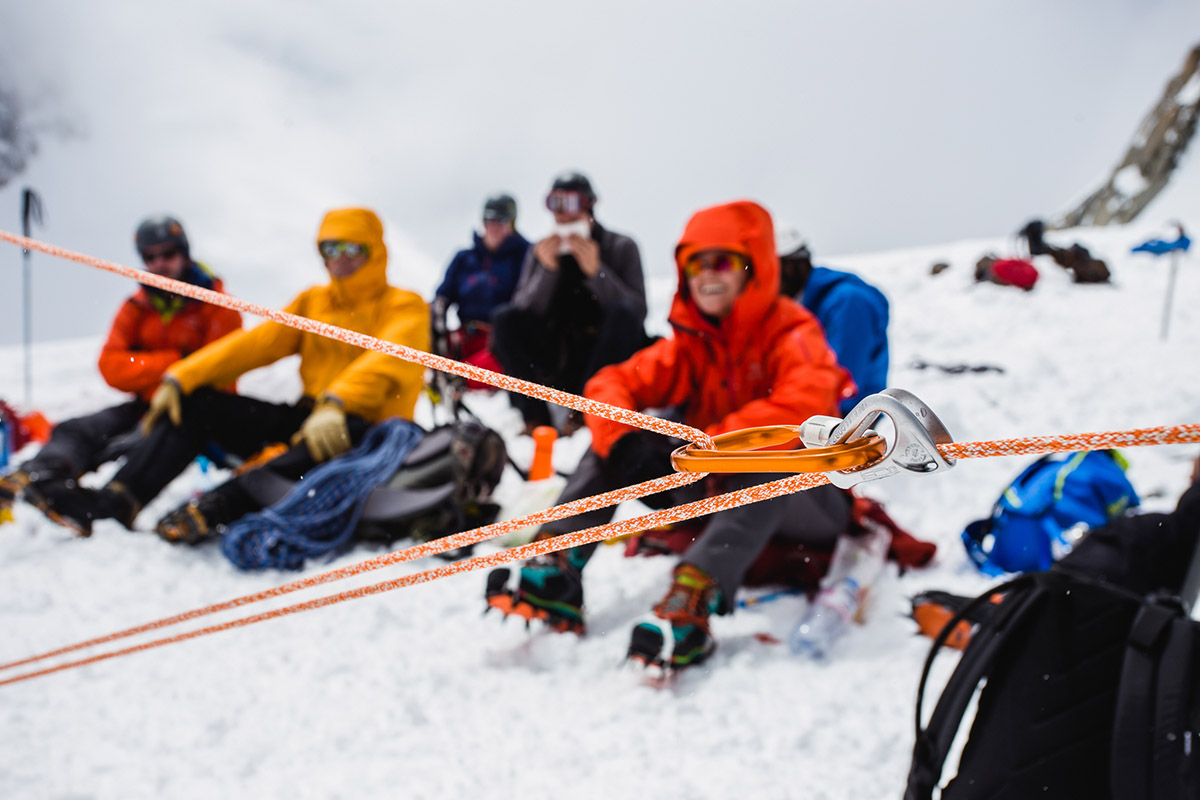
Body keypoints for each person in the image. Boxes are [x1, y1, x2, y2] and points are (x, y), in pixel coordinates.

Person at [486, 200, 855, 671]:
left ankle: (694, 596)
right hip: (712, 483)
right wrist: (625, 444)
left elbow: (801, 408)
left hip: (806, 503)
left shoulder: (794, 335)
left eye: (721, 260)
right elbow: (611, 384)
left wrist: (708, 447)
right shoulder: (689, 345)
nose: (706, 275)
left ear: (754, 268)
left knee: (772, 454)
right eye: (694, 264)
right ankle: (558, 563)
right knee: (614, 442)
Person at [28, 207, 431, 541]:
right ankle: (119, 501)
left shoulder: (405, 307)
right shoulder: (314, 302)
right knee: (198, 405)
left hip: (370, 430)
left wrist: (338, 401)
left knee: (306, 452)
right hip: (310, 416)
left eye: (350, 247)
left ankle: (216, 508)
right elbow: (255, 345)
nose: (340, 257)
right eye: (329, 247)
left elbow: (386, 360)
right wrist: (181, 377)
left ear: (374, 250)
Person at [0, 216, 242, 531]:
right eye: (150, 257)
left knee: (138, 442)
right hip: (146, 403)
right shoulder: (137, 306)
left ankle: (105, 507)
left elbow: (219, 370)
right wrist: (177, 361)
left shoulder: (217, 304)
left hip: (195, 412)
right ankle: (40, 475)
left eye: (167, 254)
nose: (159, 264)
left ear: (184, 254)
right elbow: (111, 367)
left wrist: (148, 366)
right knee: (76, 429)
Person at [490, 171, 648, 435]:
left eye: (572, 203)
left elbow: (636, 313)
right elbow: (520, 312)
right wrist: (547, 271)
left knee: (623, 312)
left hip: (605, 358)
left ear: (590, 205)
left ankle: (586, 410)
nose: (563, 214)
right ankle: (535, 418)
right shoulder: (539, 250)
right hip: (557, 358)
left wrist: (596, 272)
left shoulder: (621, 246)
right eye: (555, 203)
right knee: (503, 318)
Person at [776, 228, 889, 415]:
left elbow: (845, 375)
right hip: (822, 416)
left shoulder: (849, 302)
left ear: (789, 267)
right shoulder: (805, 300)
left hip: (848, 422)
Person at [431, 193, 530, 392]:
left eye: (501, 221)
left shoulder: (525, 256)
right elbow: (443, 295)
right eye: (489, 220)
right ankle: (445, 376)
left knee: (504, 358)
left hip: (500, 340)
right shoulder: (465, 258)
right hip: (464, 337)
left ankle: (461, 380)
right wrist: (436, 312)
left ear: (511, 223)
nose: (494, 226)